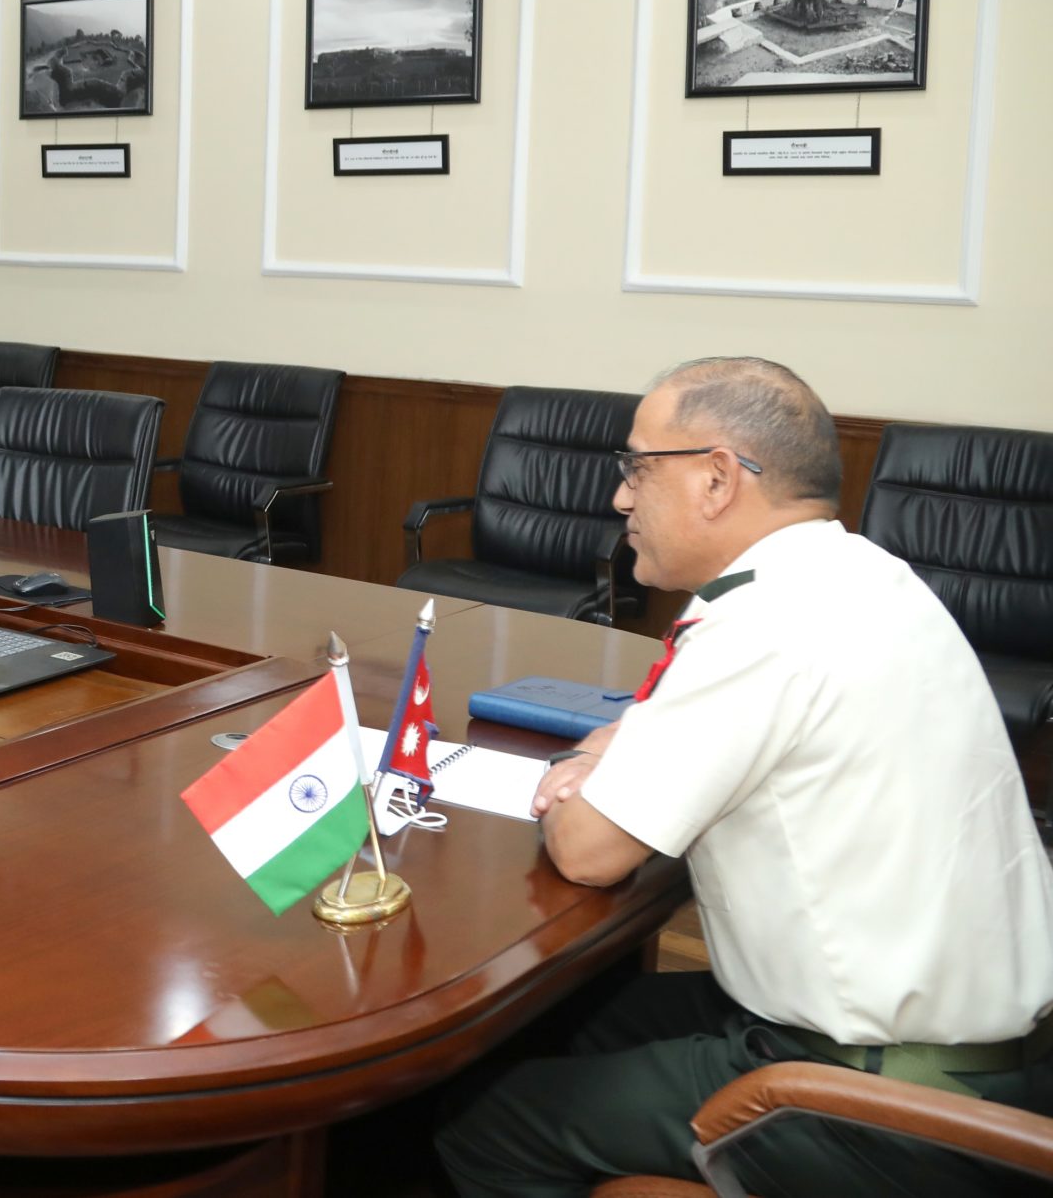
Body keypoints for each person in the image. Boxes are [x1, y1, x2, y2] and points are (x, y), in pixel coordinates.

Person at [437, 356, 1053, 1198]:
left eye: (636, 469)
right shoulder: (865, 576)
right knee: (560, 1020)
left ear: (718, 478)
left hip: (887, 1100)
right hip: (975, 1047)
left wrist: (580, 769)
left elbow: (587, 849)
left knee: (486, 1127)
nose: (619, 497)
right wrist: (617, 747)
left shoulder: (764, 620)